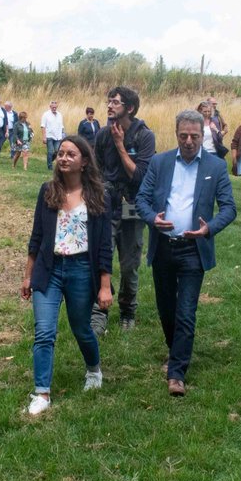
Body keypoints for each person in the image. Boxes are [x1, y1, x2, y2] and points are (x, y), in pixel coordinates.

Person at [136, 110, 236, 397]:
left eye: (195, 136)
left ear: (203, 136)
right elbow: (142, 198)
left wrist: (209, 229)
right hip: (164, 247)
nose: (189, 141)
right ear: (176, 134)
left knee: (186, 311)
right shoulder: (160, 161)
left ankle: (176, 373)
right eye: (184, 136)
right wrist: (153, 218)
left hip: (193, 249)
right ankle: (175, 350)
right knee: (166, 309)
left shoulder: (216, 167)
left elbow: (229, 208)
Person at [20, 135, 113, 416]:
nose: (63, 158)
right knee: (44, 332)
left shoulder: (99, 196)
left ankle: (94, 371)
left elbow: (105, 245)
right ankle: (42, 394)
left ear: (84, 162)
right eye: (61, 153)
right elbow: (36, 237)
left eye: (71, 154)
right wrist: (28, 275)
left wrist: (105, 285)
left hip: (81, 270)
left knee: (81, 328)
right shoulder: (47, 191)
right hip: (49, 270)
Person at [92, 86, 156, 334]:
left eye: (115, 102)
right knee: (101, 258)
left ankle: (128, 310)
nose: (109, 106)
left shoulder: (144, 136)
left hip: (133, 205)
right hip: (106, 205)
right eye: (108, 101)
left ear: (129, 108)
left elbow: (139, 176)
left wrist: (120, 145)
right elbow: (95, 171)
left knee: (129, 264)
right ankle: (99, 311)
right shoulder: (102, 135)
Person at [41, 101, 66, 171]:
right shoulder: (46, 114)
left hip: (58, 136)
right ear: (50, 107)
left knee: (57, 151)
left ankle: (50, 160)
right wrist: (44, 137)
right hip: (49, 136)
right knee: (50, 151)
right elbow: (43, 126)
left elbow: (61, 126)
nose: (54, 108)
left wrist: (63, 134)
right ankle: (50, 167)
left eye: (55, 107)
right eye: (53, 107)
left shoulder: (59, 115)